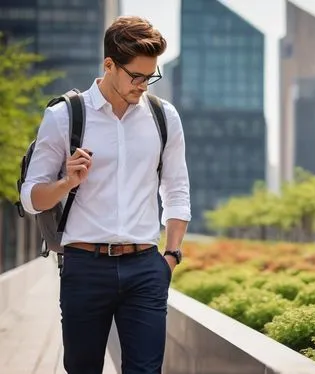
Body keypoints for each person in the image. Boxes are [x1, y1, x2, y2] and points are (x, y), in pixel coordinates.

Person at [20, 16, 190, 374]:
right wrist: (66, 182)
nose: (144, 85)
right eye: (136, 76)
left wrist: (171, 256)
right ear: (109, 64)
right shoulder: (65, 116)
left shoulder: (164, 117)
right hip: (85, 266)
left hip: (145, 267)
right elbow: (31, 198)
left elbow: (176, 189)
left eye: (151, 76)